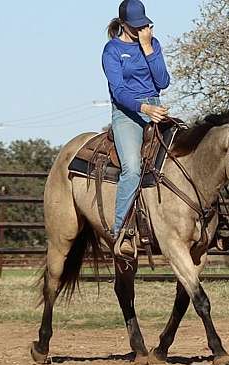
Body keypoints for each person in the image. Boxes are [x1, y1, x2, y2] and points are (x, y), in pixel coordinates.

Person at [102, 0, 170, 255]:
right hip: (128, 113)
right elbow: (118, 92)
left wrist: (147, 47)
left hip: (156, 108)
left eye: (144, 24)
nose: (141, 29)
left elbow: (162, 81)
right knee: (132, 169)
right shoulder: (112, 50)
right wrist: (144, 109)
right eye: (136, 26)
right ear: (123, 24)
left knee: (188, 155)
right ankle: (120, 232)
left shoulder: (152, 43)